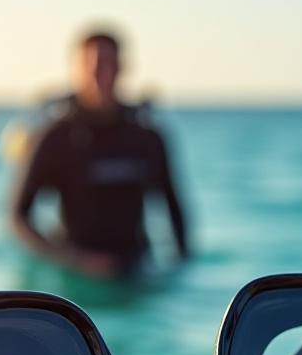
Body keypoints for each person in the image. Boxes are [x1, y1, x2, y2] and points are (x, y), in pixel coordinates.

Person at [10, 29, 190, 279]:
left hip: (135, 269)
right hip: (75, 276)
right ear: (78, 70)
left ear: (122, 68)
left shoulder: (146, 136)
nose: (102, 76)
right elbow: (18, 216)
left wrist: (182, 269)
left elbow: (175, 208)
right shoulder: (56, 137)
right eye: (94, 67)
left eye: (109, 65)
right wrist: (75, 259)